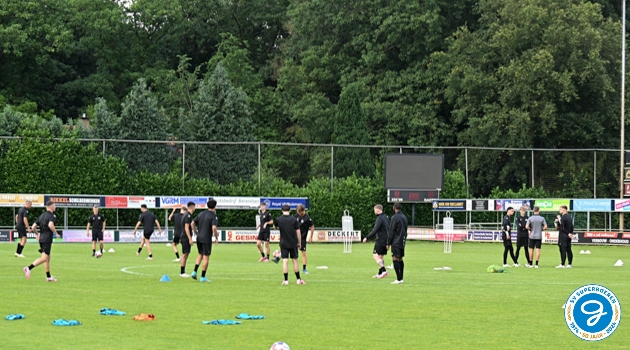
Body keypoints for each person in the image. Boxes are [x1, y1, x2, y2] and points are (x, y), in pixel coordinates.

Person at [23, 201, 60, 282]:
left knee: (48, 258)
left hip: (42, 238)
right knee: (44, 258)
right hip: (47, 239)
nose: (55, 207)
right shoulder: (52, 216)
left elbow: (33, 227)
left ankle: (49, 277)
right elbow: (50, 225)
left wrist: (37, 234)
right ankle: (28, 268)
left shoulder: (41, 215)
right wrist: (56, 233)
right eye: (55, 206)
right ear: (51, 206)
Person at [275, 204, 305, 285]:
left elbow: (275, 227)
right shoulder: (294, 220)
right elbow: (298, 232)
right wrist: (299, 242)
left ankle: (285, 280)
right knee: (295, 260)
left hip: (283, 243)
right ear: (290, 211)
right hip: (293, 243)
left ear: (282, 211)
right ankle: (298, 280)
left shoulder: (278, 219)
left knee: (285, 261)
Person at [191, 198, 218, 283]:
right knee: (206, 257)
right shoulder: (213, 216)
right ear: (214, 207)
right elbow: (214, 227)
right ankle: (203, 277)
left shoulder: (201, 213)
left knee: (200, 255)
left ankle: (194, 272)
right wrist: (216, 237)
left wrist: (195, 232)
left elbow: (192, 223)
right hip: (206, 238)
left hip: (199, 237)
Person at [362, 204, 390, 278]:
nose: (374, 212)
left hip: (380, 240)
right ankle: (380, 273)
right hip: (386, 239)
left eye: (374, 210)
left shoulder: (379, 218)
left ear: (377, 210)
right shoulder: (386, 217)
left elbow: (375, 230)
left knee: (375, 256)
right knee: (381, 256)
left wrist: (367, 237)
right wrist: (388, 242)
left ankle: (384, 270)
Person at [388, 203, 408, 285]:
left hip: (396, 241)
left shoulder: (394, 217)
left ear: (394, 208)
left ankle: (398, 279)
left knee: (395, 258)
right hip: (402, 240)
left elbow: (392, 231)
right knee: (400, 258)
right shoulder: (404, 217)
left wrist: (388, 242)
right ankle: (401, 278)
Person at [295, 204, 314, 275]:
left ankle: (304, 269)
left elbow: (312, 227)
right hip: (294, 237)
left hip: (302, 238)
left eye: (298, 212)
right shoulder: (296, 216)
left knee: (303, 253)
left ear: (302, 211)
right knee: (288, 249)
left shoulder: (307, 218)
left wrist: (311, 237)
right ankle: (278, 257)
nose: (298, 213)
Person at [179, 202, 196, 278]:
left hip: (184, 237)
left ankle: (182, 271)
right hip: (185, 237)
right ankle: (182, 272)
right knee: (185, 254)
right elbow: (186, 228)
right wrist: (190, 238)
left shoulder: (186, 215)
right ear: (192, 207)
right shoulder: (188, 215)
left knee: (186, 254)